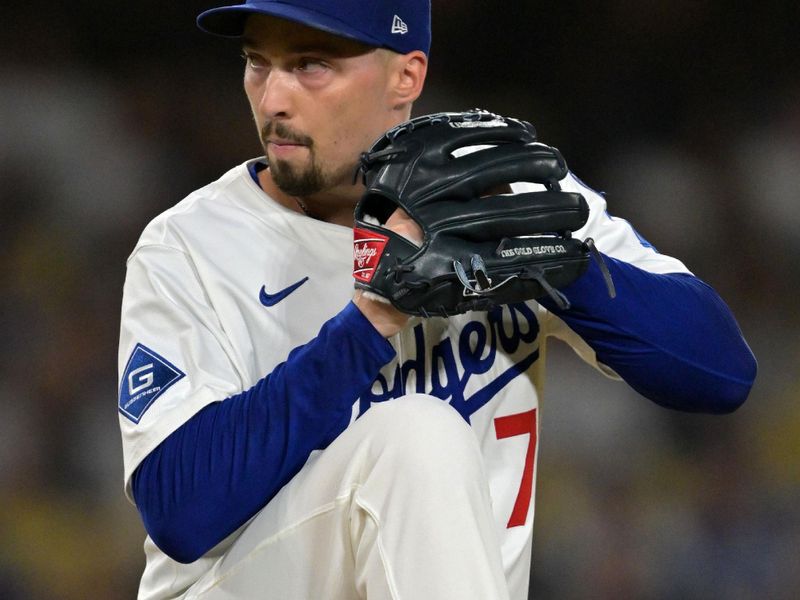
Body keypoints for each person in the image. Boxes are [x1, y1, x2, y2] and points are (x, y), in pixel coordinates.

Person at [117, 1, 757, 598]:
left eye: (311, 64)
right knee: (416, 434)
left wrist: (567, 268)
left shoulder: (500, 185)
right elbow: (180, 512)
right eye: (259, 62)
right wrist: (369, 322)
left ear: (405, 75)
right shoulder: (189, 245)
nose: (273, 97)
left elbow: (722, 374)